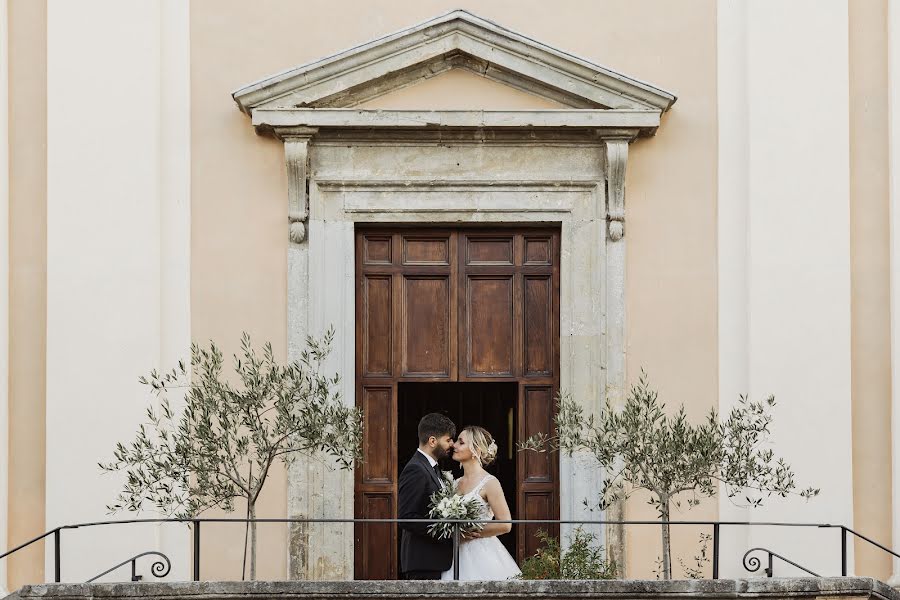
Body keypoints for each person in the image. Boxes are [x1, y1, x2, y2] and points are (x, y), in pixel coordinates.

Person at [440, 425, 521, 581]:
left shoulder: (490, 483)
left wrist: (472, 531)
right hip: (454, 554)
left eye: (461, 442)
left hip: (482, 554)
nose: (454, 445)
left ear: (475, 450)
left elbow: (505, 524)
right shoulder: (454, 484)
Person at [398, 412, 456, 579]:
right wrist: (446, 529)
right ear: (432, 441)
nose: (451, 444)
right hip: (423, 560)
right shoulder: (415, 469)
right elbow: (406, 517)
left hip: (434, 560)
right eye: (448, 440)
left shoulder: (432, 468)